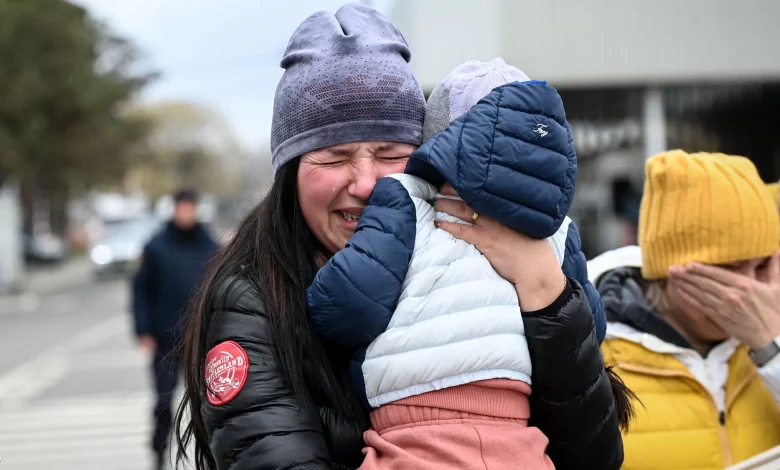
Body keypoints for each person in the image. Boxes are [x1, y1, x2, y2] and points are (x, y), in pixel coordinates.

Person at [174, 4, 627, 470]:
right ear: (289, 173)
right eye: (334, 156)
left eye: (391, 153)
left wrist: (546, 295)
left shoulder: (489, 265)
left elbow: (596, 456)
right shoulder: (253, 301)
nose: (366, 183)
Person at [307, 59, 624, 470]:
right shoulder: (559, 234)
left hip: (414, 433)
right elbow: (589, 330)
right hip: (519, 440)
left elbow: (345, 307)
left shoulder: (406, 202)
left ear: (438, 144)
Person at [588, 150, 780, 470]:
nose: (748, 289)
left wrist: (771, 347)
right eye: (729, 268)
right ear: (669, 271)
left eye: (761, 267)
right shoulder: (591, 353)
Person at [132, 188, 219, 470]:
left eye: (190, 207)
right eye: (181, 208)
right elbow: (140, 291)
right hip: (165, 340)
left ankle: (215, 457)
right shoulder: (156, 247)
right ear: (174, 210)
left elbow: (220, 289)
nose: (186, 213)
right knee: (163, 403)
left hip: (202, 340)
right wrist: (143, 330)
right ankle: (158, 454)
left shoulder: (209, 246)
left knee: (211, 404)